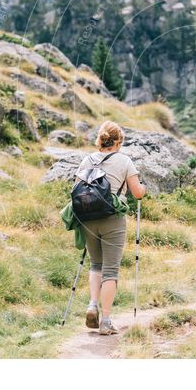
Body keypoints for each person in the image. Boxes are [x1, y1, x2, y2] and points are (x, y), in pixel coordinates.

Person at [74, 121, 146, 335]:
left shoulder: (88, 159)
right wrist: (143, 187)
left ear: (101, 140)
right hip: (112, 219)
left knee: (95, 265)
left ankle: (91, 305)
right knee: (110, 270)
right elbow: (137, 193)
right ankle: (105, 321)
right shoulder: (124, 161)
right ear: (118, 142)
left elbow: (75, 187)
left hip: (87, 218)